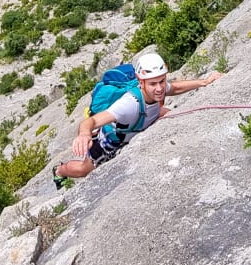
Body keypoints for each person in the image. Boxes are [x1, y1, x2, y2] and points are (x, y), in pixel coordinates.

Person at [52, 51, 222, 188]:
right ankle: (59, 170)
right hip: (113, 138)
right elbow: (92, 121)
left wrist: (204, 82)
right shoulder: (129, 103)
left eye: (162, 81)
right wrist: (84, 134)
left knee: (168, 113)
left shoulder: (157, 87)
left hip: (140, 120)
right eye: (153, 84)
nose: (159, 88)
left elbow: (175, 88)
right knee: (84, 169)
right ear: (141, 82)